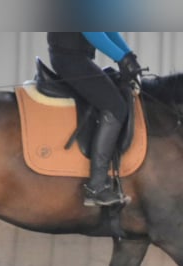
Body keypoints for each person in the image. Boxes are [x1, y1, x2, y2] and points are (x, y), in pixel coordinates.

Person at [47, 32, 143, 207]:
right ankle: (96, 187)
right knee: (115, 108)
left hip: (77, 58)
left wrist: (128, 55)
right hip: (69, 59)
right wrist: (122, 58)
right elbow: (93, 32)